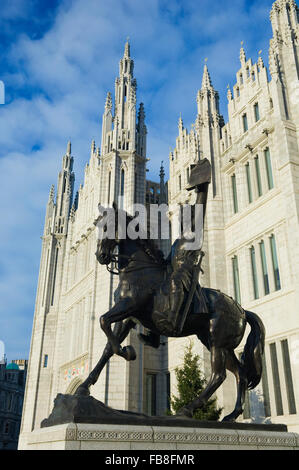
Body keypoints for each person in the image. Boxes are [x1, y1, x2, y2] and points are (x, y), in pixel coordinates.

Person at [139, 158, 211, 345]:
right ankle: (154, 333)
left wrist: (202, 188)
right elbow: (167, 261)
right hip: (173, 271)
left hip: (184, 273)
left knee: (175, 282)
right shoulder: (177, 242)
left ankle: (172, 320)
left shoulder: (193, 236)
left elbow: (200, 207)